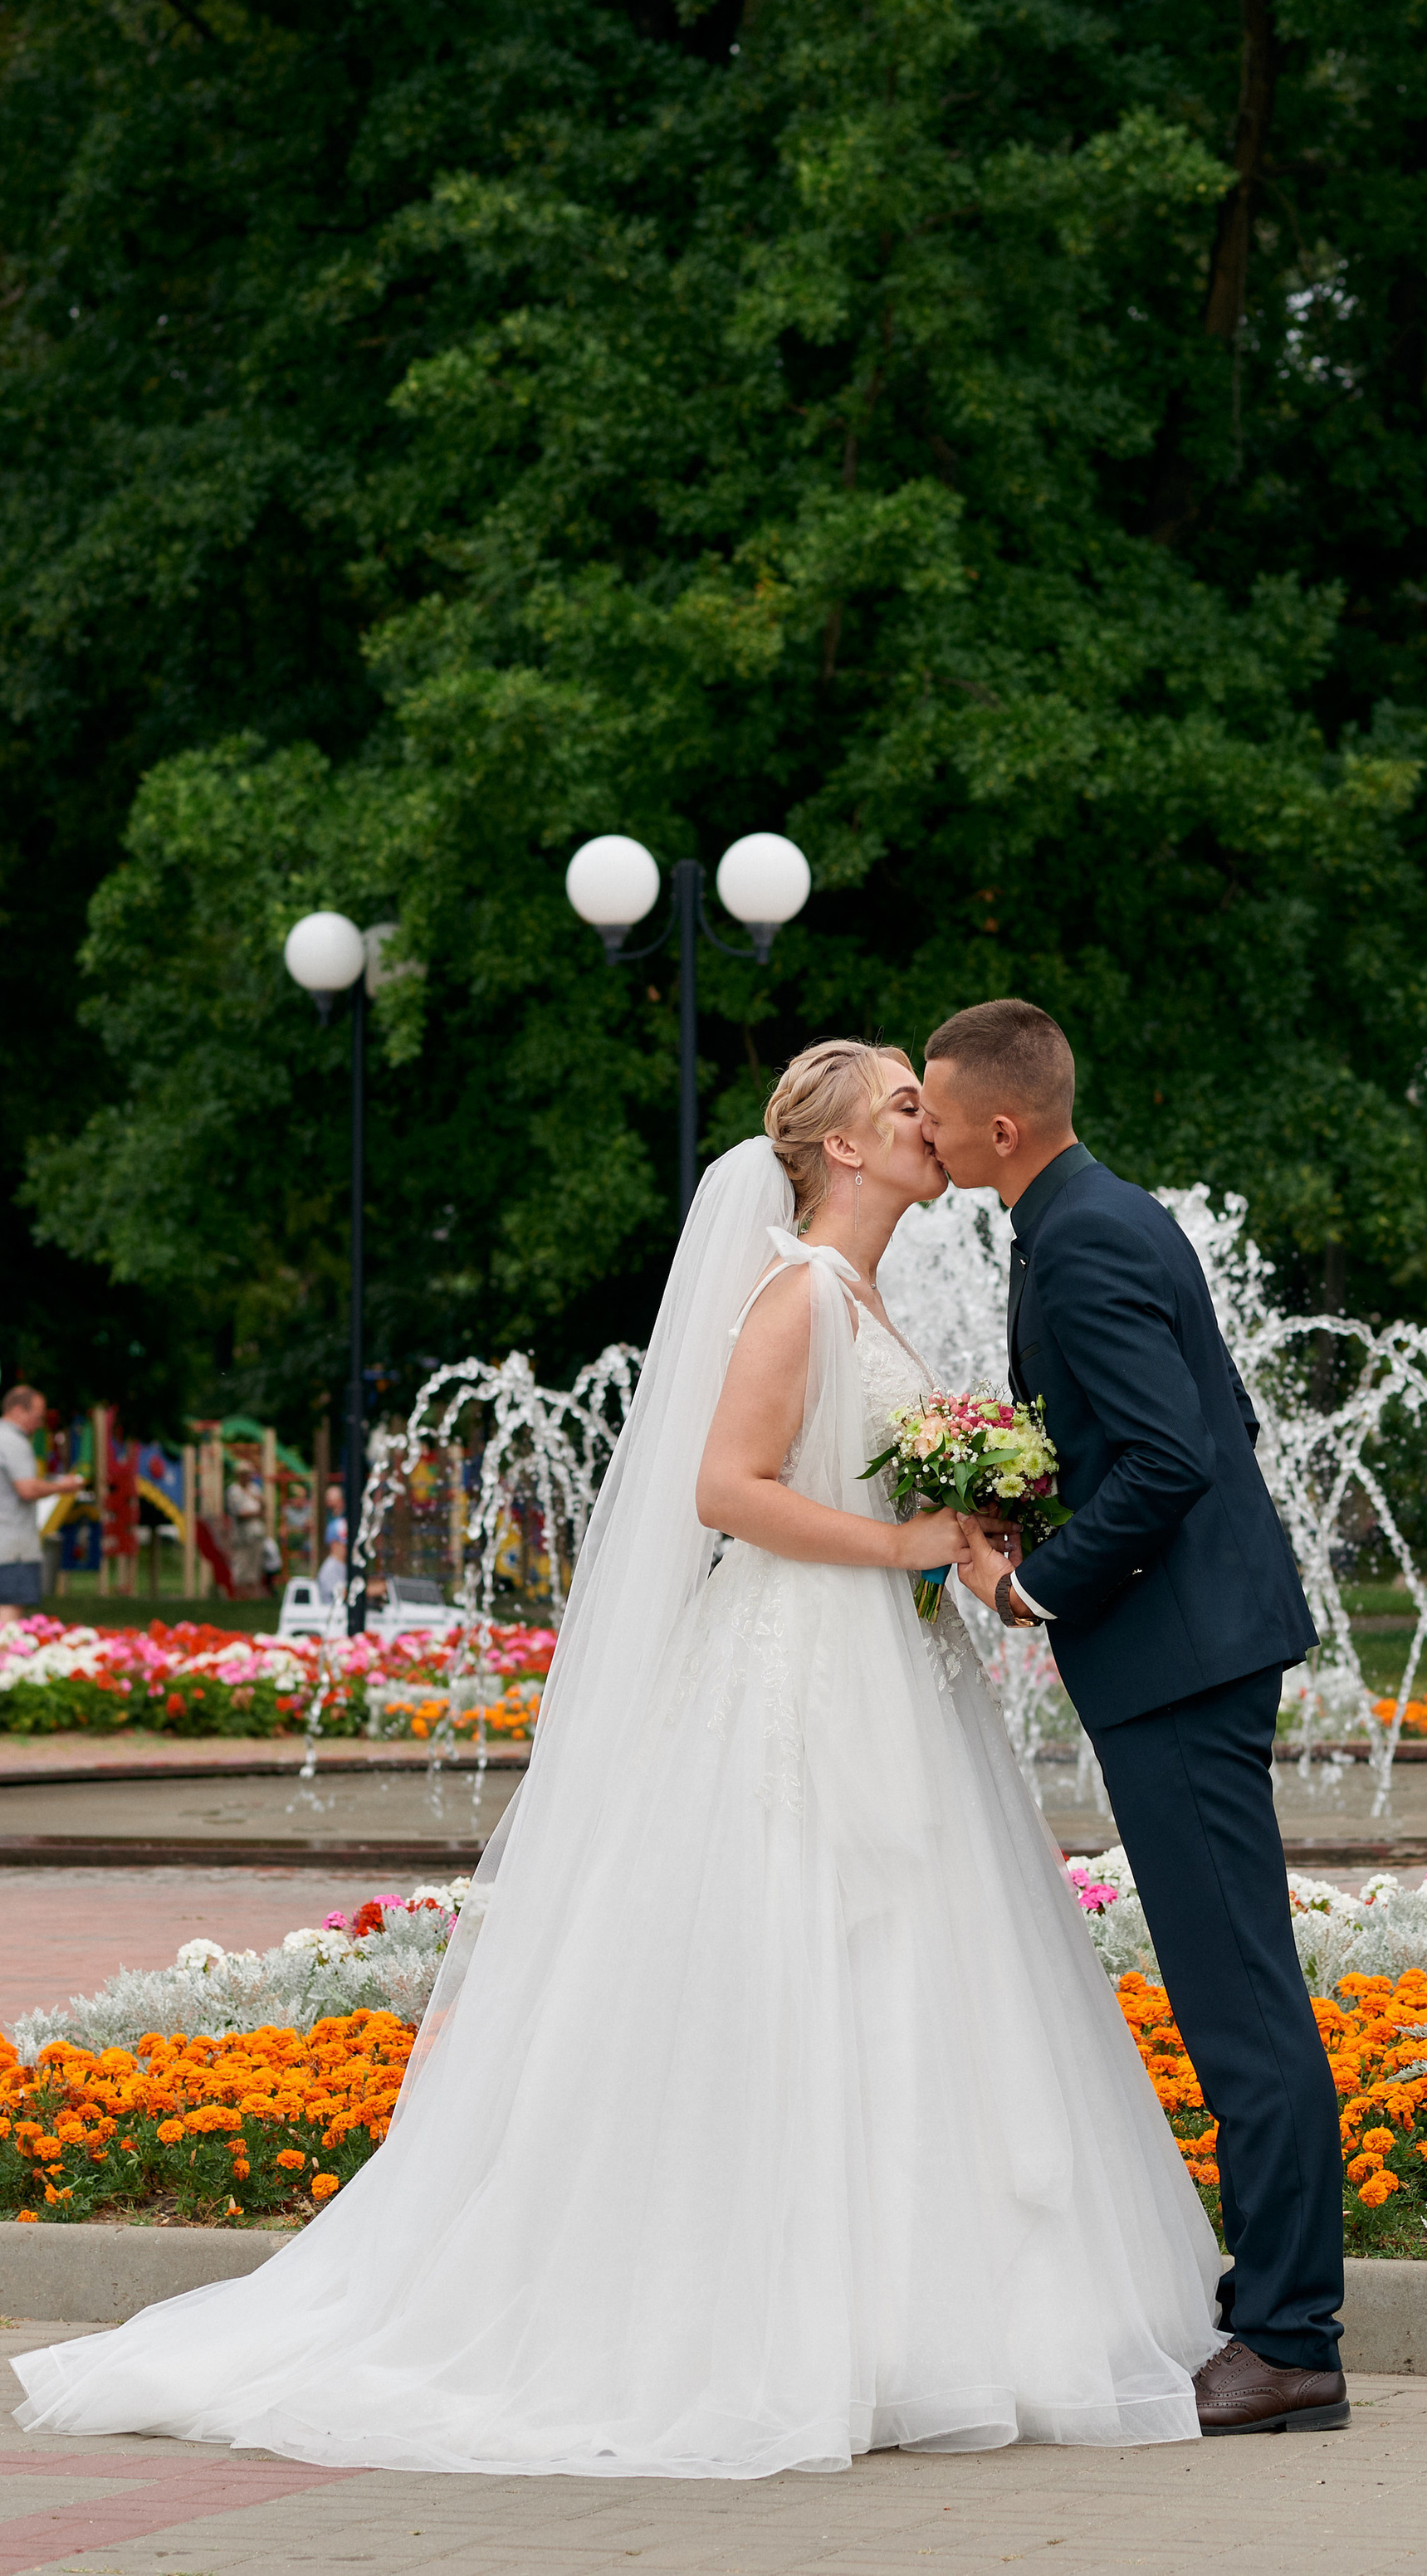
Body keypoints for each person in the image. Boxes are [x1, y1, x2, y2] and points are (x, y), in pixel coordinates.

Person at [12, 1040, 1219, 2475]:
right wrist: (906, 1539)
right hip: (796, 1671)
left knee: (918, 1962)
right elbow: (727, 1488)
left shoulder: (873, 1298)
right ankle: (777, 2320)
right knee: (804, 1952)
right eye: (904, 1103)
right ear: (839, 1146)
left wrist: (976, 1545)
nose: (930, 1122)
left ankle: (922, 2315)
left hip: (896, 1668)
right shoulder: (796, 1294)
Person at [922, 1000, 1347, 2439]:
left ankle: (1291, 2339)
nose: (917, 1128)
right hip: (1194, 1643)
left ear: (998, 1127)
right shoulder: (1101, 1213)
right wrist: (1031, 1493)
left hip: (1178, 1657)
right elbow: (1190, 1420)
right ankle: (1275, 2311)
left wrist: (1031, 1585)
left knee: (1239, 1997)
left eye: (930, 1109)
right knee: (1237, 1982)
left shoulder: (1085, 1235)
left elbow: (1171, 1457)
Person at [0, 1386, 85, 1627]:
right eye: (37, 1416)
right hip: (11, 1547)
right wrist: (62, 1486)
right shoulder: (13, 1441)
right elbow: (26, 1489)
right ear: (18, 1410)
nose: (39, 1424)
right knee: (8, 1619)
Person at [315, 1515, 348, 1608]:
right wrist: (372, 1590)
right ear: (333, 1543)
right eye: (344, 1544)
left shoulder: (343, 1565)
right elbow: (343, 1594)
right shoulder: (330, 1568)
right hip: (332, 1618)